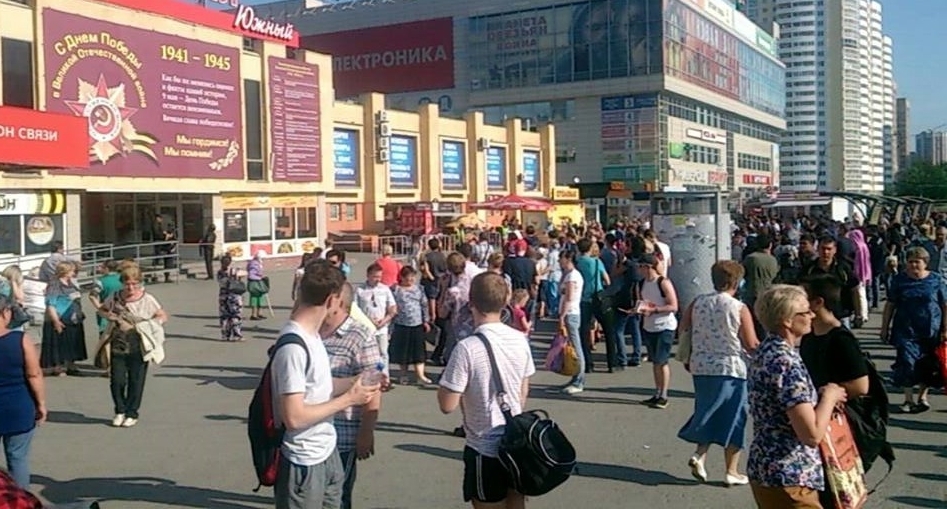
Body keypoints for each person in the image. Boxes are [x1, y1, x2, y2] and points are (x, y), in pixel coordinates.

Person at [270, 261, 380, 509]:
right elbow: (294, 417)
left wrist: (355, 383)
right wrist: (349, 399)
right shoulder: (293, 346)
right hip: (303, 459)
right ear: (332, 300)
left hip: (326, 449)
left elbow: (319, 386)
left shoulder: (313, 335)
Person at [437, 272, 535, 509]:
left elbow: (446, 405)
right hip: (515, 441)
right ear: (505, 302)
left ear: (472, 303)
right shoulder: (520, 339)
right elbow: (523, 390)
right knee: (516, 502)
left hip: (483, 444)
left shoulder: (466, 348)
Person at [747, 285, 848, 508]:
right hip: (789, 473)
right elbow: (810, 434)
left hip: (764, 465)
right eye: (805, 312)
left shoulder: (765, 352)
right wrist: (829, 397)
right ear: (787, 320)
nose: (812, 315)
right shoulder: (786, 362)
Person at [677, 261, 758, 486]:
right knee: (734, 417)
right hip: (730, 367)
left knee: (707, 409)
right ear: (737, 281)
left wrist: (692, 352)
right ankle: (732, 470)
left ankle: (700, 454)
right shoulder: (738, 307)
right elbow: (750, 343)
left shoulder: (697, 303)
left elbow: (683, 328)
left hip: (701, 365)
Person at [799, 274, 870, 508]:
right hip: (813, 419)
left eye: (803, 298)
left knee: (837, 494)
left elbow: (861, 386)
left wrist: (830, 394)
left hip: (838, 426)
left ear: (818, 303)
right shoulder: (809, 336)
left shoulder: (841, 339)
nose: (798, 304)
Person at [319, 282, 383, 509]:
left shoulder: (361, 336)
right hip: (308, 433)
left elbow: (373, 386)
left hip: (342, 434)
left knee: (338, 497)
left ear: (339, 303)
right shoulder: (310, 331)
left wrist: (366, 433)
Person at [98, 265, 168, 428]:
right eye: (127, 283)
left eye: (135, 284)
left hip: (139, 345)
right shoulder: (115, 296)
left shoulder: (147, 298)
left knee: (136, 381)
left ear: (140, 283)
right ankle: (119, 411)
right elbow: (102, 309)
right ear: (122, 283)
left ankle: (132, 413)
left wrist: (152, 324)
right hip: (118, 344)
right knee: (117, 380)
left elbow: (162, 314)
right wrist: (109, 316)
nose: (131, 287)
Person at [880, 246, 947, 413]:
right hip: (905, 329)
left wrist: (946, 328)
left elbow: (945, 305)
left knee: (927, 364)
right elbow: (890, 304)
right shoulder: (900, 280)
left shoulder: (936, 280)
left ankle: (922, 397)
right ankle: (908, 399)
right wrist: (884, 327)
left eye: (917, 262)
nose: (913, 266)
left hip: (930, 329)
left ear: (925, 263)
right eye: (910, 262)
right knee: (906, 362)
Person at [0, 295, 46, 488]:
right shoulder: (20, 339)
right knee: (17, 458)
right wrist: (41, 404)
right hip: (18, 404)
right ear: (5, 312)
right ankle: (19, 502)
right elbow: (33, 374)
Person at [635, 253, 679, 409]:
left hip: (664, 326)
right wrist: (638, 310)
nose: (638, 269)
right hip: (649, 326)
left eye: (640, 266)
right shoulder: (641, 284)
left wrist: (655, 310)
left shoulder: (663, 282)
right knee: (655, 362)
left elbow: (673, 306)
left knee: (662, 361)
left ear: (648, 267)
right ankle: (657, 392)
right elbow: (642, 302)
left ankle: (664, 395)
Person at [40, 262, 86, 376]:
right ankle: (58, 367)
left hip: (73, 318)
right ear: (65, 271)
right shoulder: (55, 285)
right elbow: (51, 304)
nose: (74, 273)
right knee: (59, 344)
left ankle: (71, 364)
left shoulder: (72, 283)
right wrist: (56, 321)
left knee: (73, 342)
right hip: (60, 317)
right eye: (72, 270)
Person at [389, 266, 432, 385]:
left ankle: (421, 375)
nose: (411, 280)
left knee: (419, 351)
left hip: (417, 324)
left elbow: (424, 305)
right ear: (402, 278)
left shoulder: (419, 289)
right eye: (408, 278)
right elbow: (391, 305)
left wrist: (426, 320)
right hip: (401, 324)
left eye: (413, 277)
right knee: (403, 352)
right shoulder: (395, 290)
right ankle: (403, 375)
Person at [355, 264, 397, 376]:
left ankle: (383, 374)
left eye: (379, 276)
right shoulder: (360, 290)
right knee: (367, 354)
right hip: (367, 328)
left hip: (382, 327)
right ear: (368, 275)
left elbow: (392, 308)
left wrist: (385, 320)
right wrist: (368, 320)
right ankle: (370, 375)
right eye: (375, 277)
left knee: (383, 353)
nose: (377, 279)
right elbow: (355, 309)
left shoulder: (385, 289)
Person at [558, 250, 586, 394]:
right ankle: (575, 376)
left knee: (576, 347)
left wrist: (562, 316)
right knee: (572, 347)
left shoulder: (573, 276)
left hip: (571, 314)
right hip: (570, 313)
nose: (559, 261)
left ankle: (579, 380)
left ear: (568, 259)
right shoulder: (569, 275)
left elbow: (569, 297)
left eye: (561, 258)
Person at [217, 255, 244, 342]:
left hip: (223, 296)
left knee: (224, 316)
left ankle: (225, 335)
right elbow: (244, 273)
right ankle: (237, 334)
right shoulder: (233, 271)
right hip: (234, 296)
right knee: (235, 315)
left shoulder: (219, 273)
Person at [247, 251, 269, 321]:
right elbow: (252, 274)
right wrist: (260, 277)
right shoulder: (254, 264)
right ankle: (253, 314)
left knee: (260, 297)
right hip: (254, 282)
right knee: (255, 298)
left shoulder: (257, 263)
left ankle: (259, 313)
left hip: (258, 281)